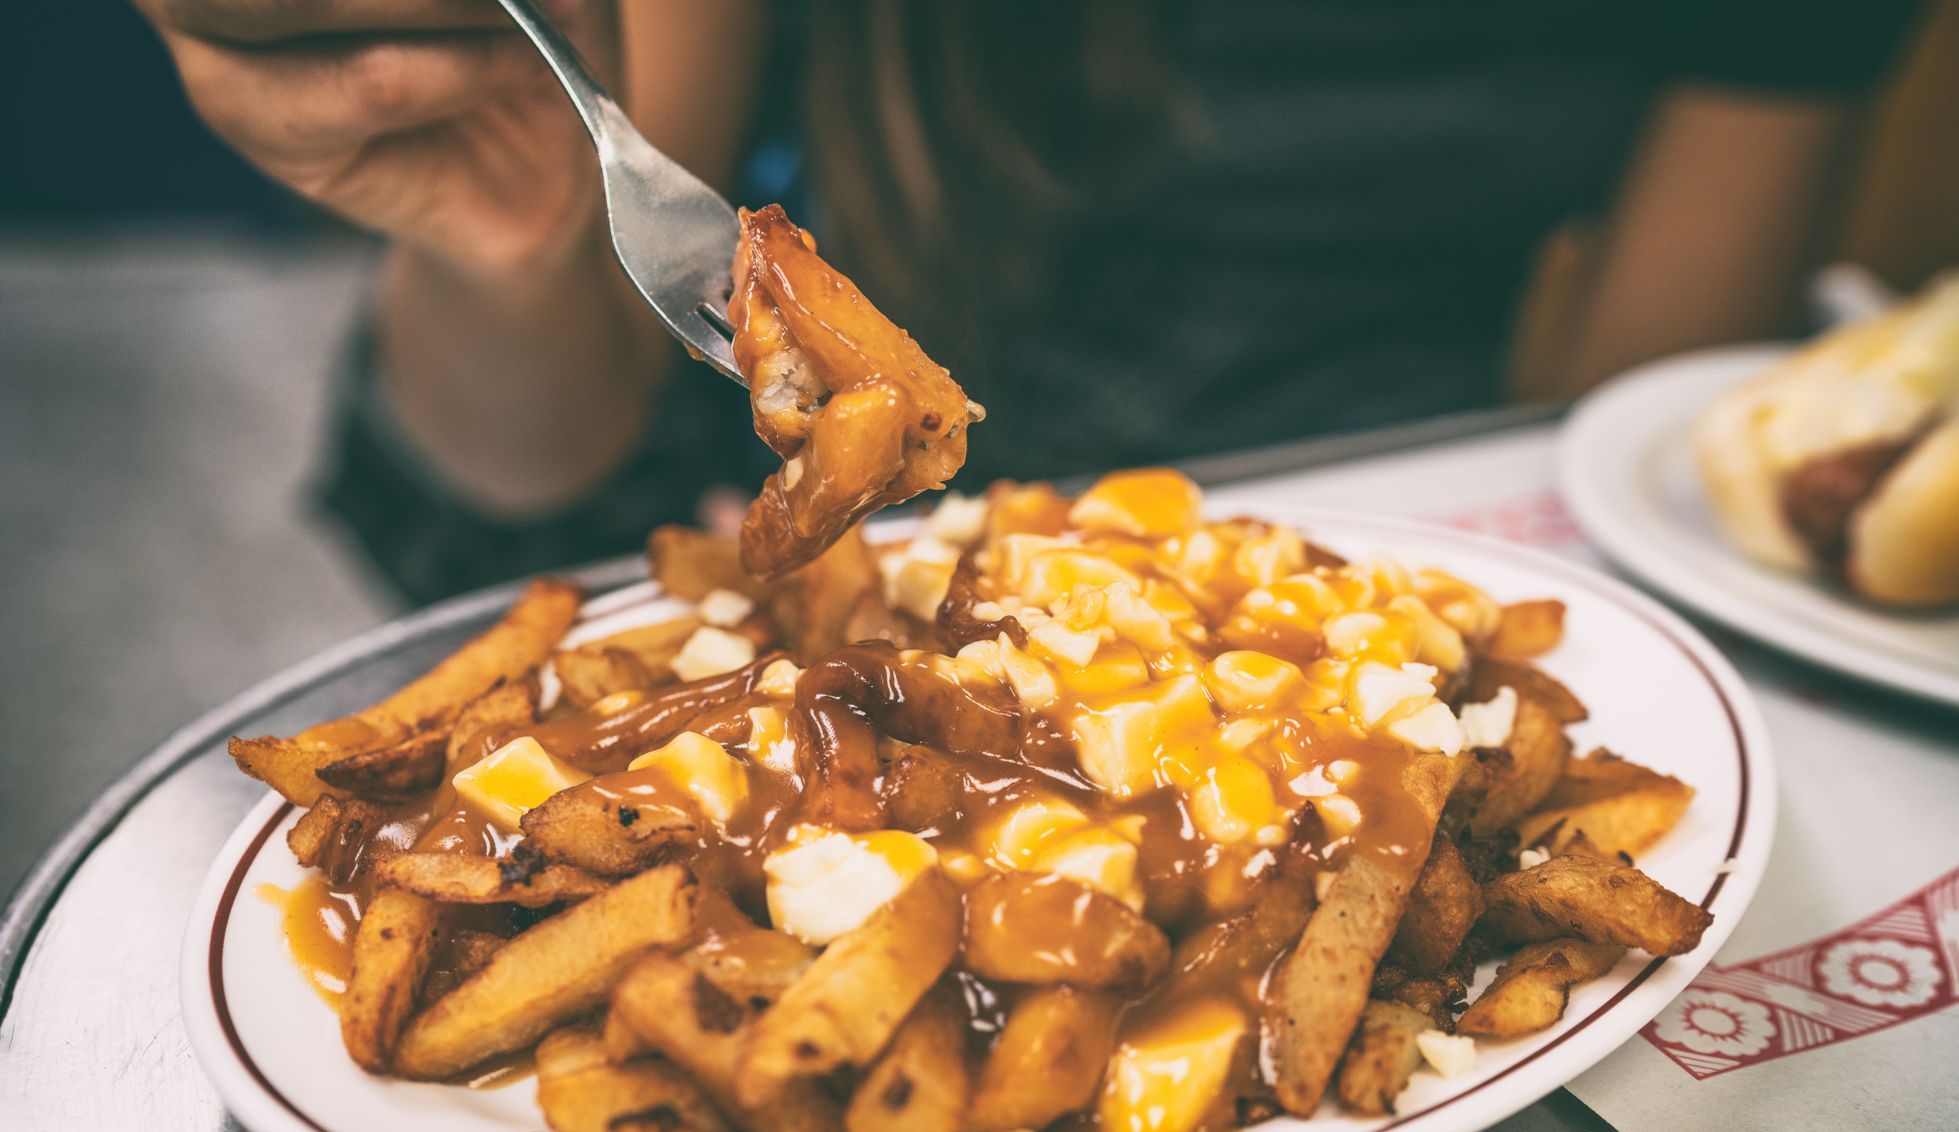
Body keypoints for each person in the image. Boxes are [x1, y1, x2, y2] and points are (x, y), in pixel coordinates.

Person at [132, 0, 1926, 602]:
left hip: (1385, 551)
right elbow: (516, 453)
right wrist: (507, 220)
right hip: (790, 545)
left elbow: (1652, 436)